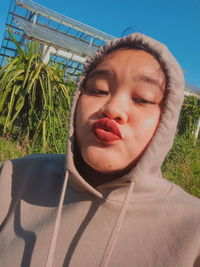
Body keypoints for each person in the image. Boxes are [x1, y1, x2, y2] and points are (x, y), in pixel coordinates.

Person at [0, 33, 200, 267]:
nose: (113, 108)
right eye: (98, 90)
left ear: (168, 119)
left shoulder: (193, 229)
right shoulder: (13, 178)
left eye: (142, 99)